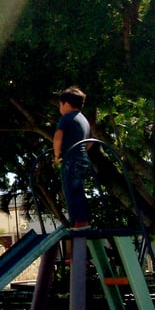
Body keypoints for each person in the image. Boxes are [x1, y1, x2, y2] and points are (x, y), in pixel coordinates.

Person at [54, 86, 92, 228]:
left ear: (66, 104)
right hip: (82, 158)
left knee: (69, 190)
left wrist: (57, 155)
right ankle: (83, 220)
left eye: (60, 105)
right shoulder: (84, 120)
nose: (60, 108)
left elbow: (58, 136)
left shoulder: (67, 117)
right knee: (78, 189)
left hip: (70, 158)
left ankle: (76, 221)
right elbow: (90, 142)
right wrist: (82, 151)